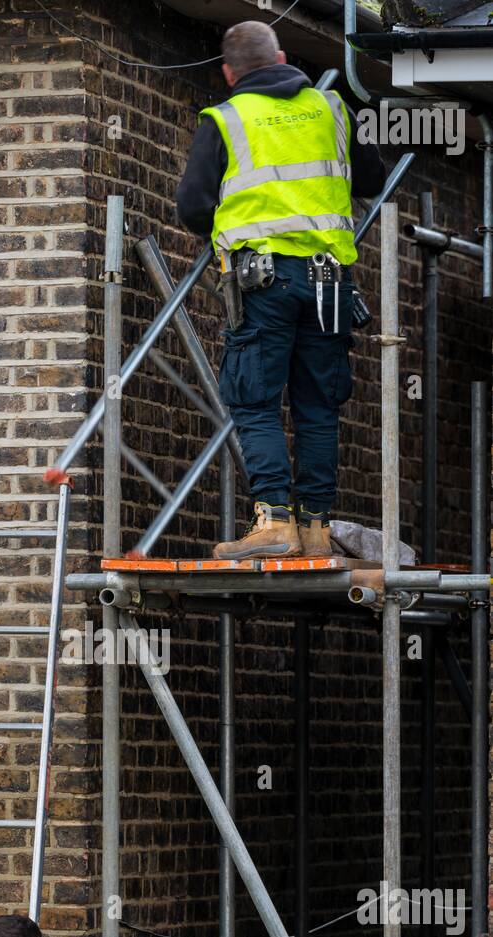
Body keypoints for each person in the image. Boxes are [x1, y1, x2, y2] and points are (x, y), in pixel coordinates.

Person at [177, 20, 385, 560]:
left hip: (263, 281)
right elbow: (370, 180)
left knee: (255, 399)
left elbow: (193, 206)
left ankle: (274, 521)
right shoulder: (333, 108)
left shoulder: (225, 119)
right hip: (329, 281)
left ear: (229, 73)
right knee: (318, 405)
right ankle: (315, 527)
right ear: (284, 56)